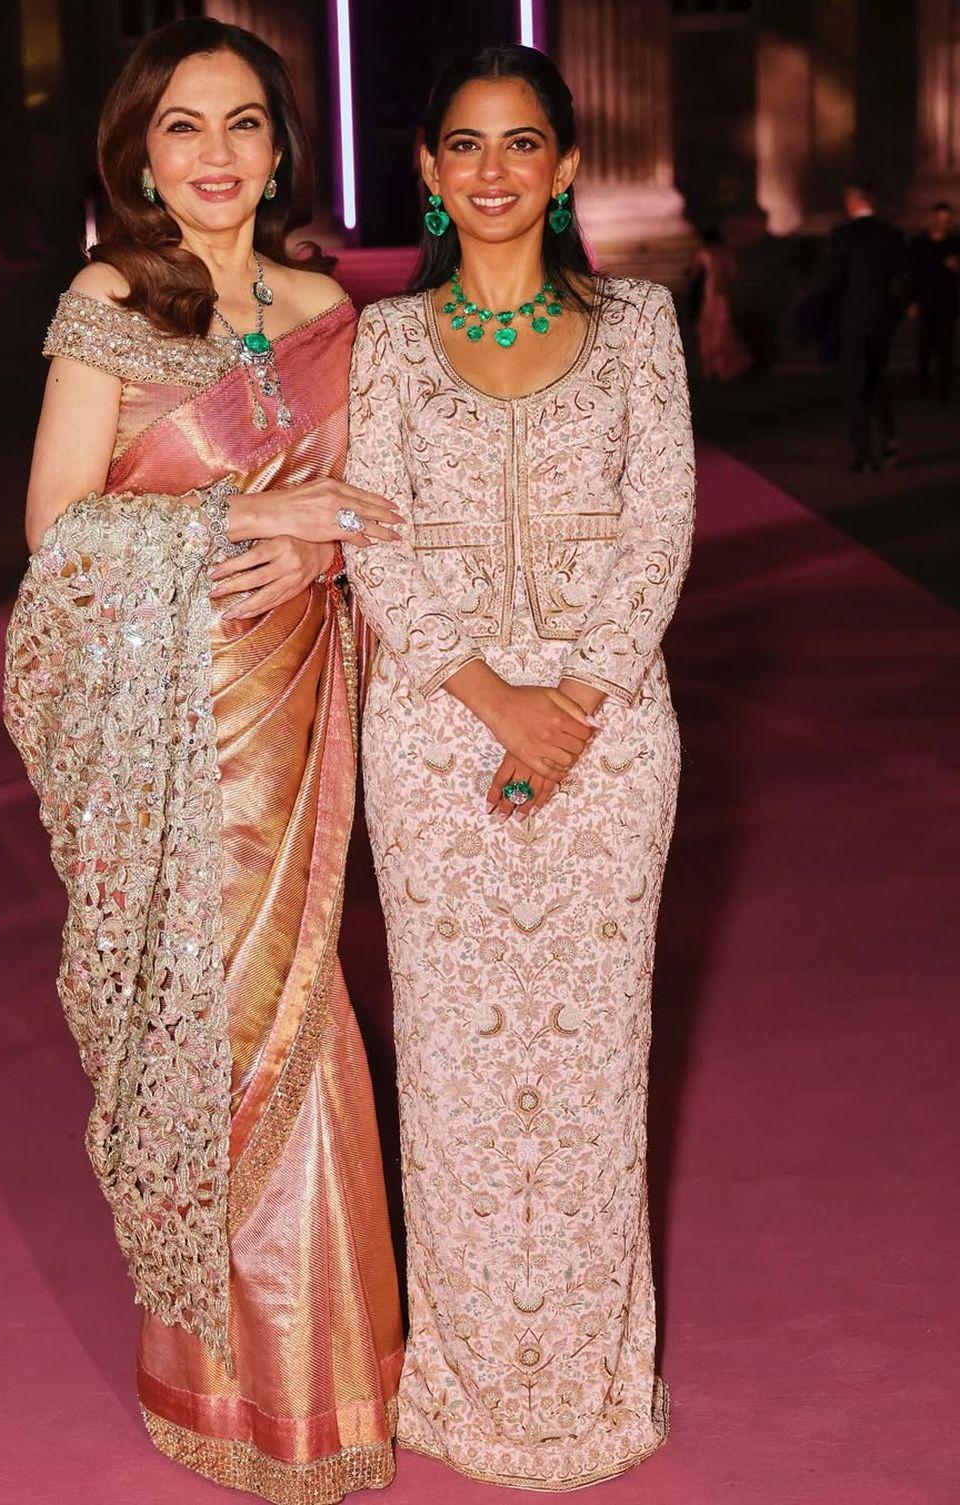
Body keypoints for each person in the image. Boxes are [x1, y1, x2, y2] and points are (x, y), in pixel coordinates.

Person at [4, 20, 405, 1502]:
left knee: (312, 1018)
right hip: (164, 732)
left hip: (300, 702)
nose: (219, 155)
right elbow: (56, 528)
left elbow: (375, 505)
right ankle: (226, 1388)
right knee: (211, 1037)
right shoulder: (112, 300)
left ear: (283, 145)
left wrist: (320, 556)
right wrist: (248, 524)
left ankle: (330, 1383)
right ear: (140, 152)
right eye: (185, 128)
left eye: (245, 124)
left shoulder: (327, 305)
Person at [343, 43, 694, 1492]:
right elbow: (373, 537)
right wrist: (499, 702)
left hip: (613, 740)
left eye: (523, 144)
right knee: (457, 1060)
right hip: (431, 736)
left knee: (595, 1059)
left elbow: (660, 524)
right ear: (427, 171)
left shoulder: (641, 328)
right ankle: (469, 1384)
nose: (493, 170)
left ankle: (596, 1390)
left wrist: (578, 701)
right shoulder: (381, 345)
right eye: (466, 147)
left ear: (561, 171)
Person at [823, 182, 905, 472]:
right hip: (882, 318)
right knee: (878, 378)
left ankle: (863, 452)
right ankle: (889, 439)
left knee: (856, 384)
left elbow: (834, 280)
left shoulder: (843, 235)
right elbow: (903, 279)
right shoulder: (892, 234)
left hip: (853, 318)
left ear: (852, 202)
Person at [907, 200, 959, 403]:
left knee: (946, 348)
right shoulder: (919, 245)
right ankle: (924, 386)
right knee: (924, 346)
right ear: (932, 219)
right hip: (925, 301)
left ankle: (942, 391)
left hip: (947, 302)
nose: (942, 224)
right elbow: (911, 275)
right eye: (939, 220)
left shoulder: (955, 243)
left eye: (946, 220)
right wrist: (911, 301)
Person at [691, 224, 753, 381]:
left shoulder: (703, 253)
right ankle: (724, 367)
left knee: (710, 328)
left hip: (710, 293)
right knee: (723, 327)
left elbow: (695, 275)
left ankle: (713, 368)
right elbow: (733, 273)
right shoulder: (725, 253)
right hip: (723, 293)